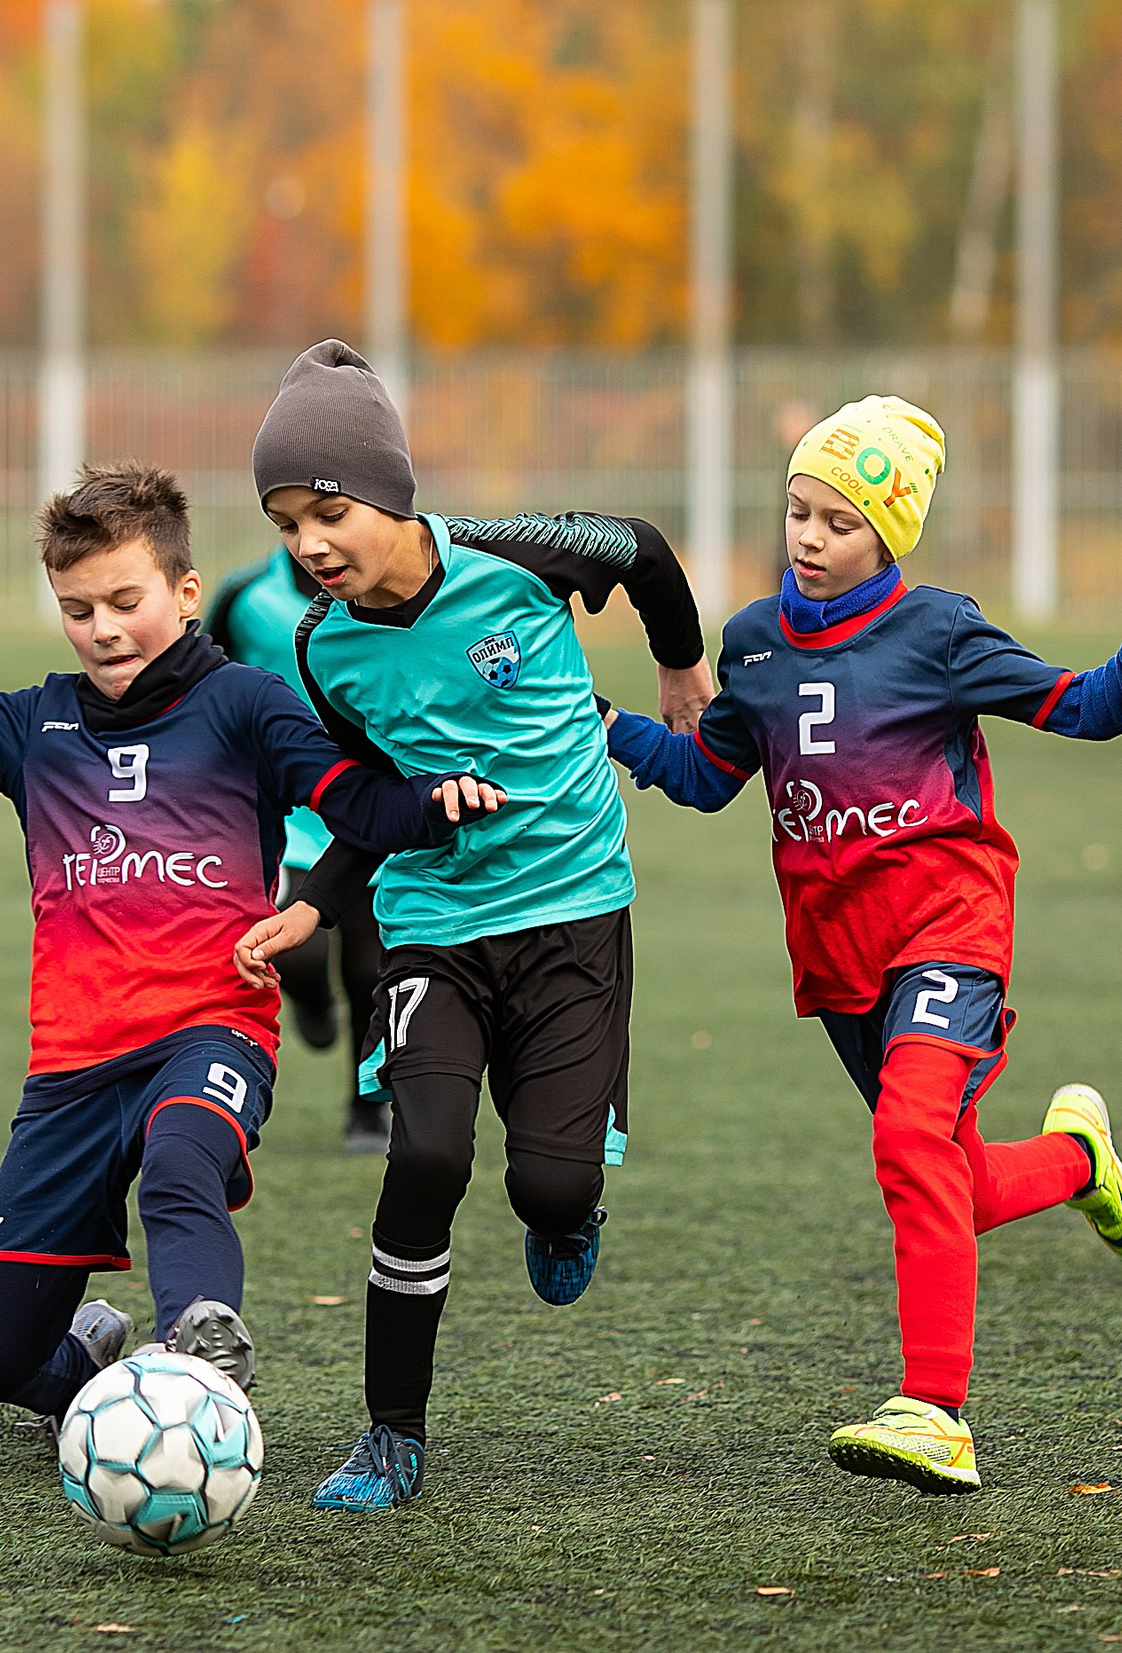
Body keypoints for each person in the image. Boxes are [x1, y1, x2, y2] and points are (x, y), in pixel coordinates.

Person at [0, 463, 503, 1429]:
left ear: (183, 592)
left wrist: (437, 803)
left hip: (209, 1031)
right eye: (77, 607)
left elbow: (358, 801)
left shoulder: (246, 704)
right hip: (71, 1069)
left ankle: (197, 1354)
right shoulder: (34, 723)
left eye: (126, 601)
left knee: (182, 1160)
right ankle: (99, 1380)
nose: (103, 627)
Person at [604, 397, 1122, 1495]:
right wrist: (599, 727)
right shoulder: (754, 641)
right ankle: (1077, 1162)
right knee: (946, 1177)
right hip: (839, 960)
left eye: (838, 523)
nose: (808, 540)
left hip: (948, 930)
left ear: (888, 536)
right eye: (796, 513)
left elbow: (1088, 708)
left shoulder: (939, 631)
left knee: (909, 1136)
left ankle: (936, 1413)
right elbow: (708, 778)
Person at [230, 340, 713, 1512]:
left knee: (546, 1191)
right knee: (428, 1153)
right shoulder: (320, 647)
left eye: (327, 509)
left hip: (573, 913)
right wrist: (308, 907)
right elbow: (368, 809)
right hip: (433, 922)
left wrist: (679, 669)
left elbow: (644, 551)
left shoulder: (514, 552)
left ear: (388, 493)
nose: (309, 545)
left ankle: (573, 1197)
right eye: (287, 521)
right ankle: (390, 1436)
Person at [203, 544, 392, 1153]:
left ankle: (366, 1108)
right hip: (281, 805)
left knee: (369, 968)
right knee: (299, 953)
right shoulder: (246, 595)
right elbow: (205, 681)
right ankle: (311, 1001)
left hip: (365, 796)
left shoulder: (387, 589)